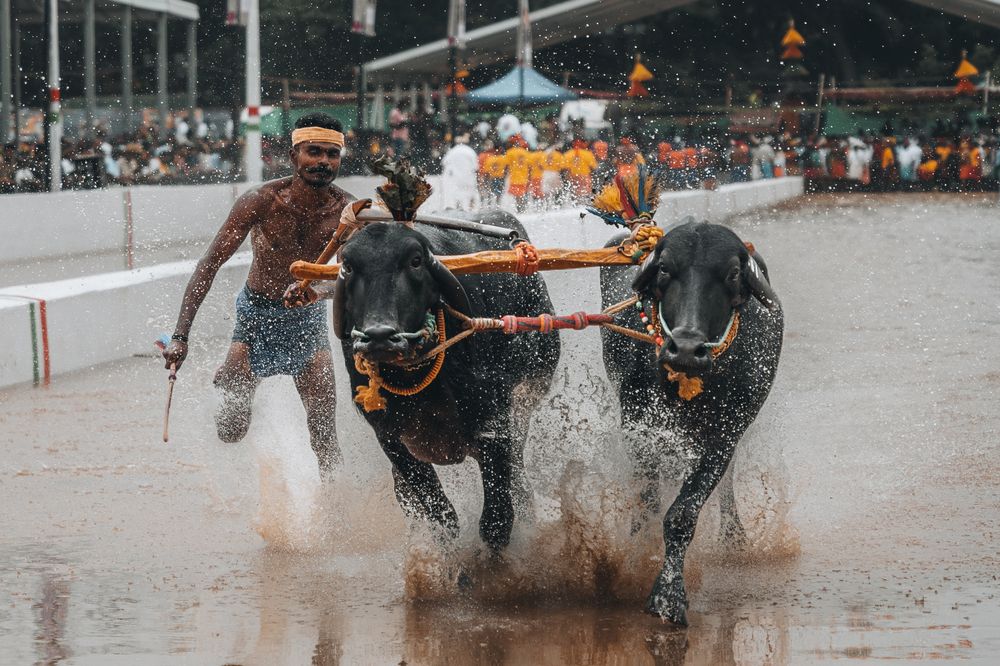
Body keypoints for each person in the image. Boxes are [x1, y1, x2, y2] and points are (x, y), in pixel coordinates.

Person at [161, 113, 353, 478]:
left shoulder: (348, 213)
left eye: (332, 154)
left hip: (307, 324)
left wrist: (316, 291)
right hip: (255, 318)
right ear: (294, 155)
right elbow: (208, 266)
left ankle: (335, 520)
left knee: (325, 437)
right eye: (314, 152)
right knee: (230, 431)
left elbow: (349, 279)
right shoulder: (261, 202)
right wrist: (180, 336)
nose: (324, 162)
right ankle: (227, 378)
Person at [440, 135, 481, 210]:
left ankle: (458, 209)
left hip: (455, 178)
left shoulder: (452, 151)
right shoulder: (470, 151)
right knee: (469, 195)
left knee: (456, 195)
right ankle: (469, 211)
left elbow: (444, 163)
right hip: (468, 178)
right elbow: (476, 167)